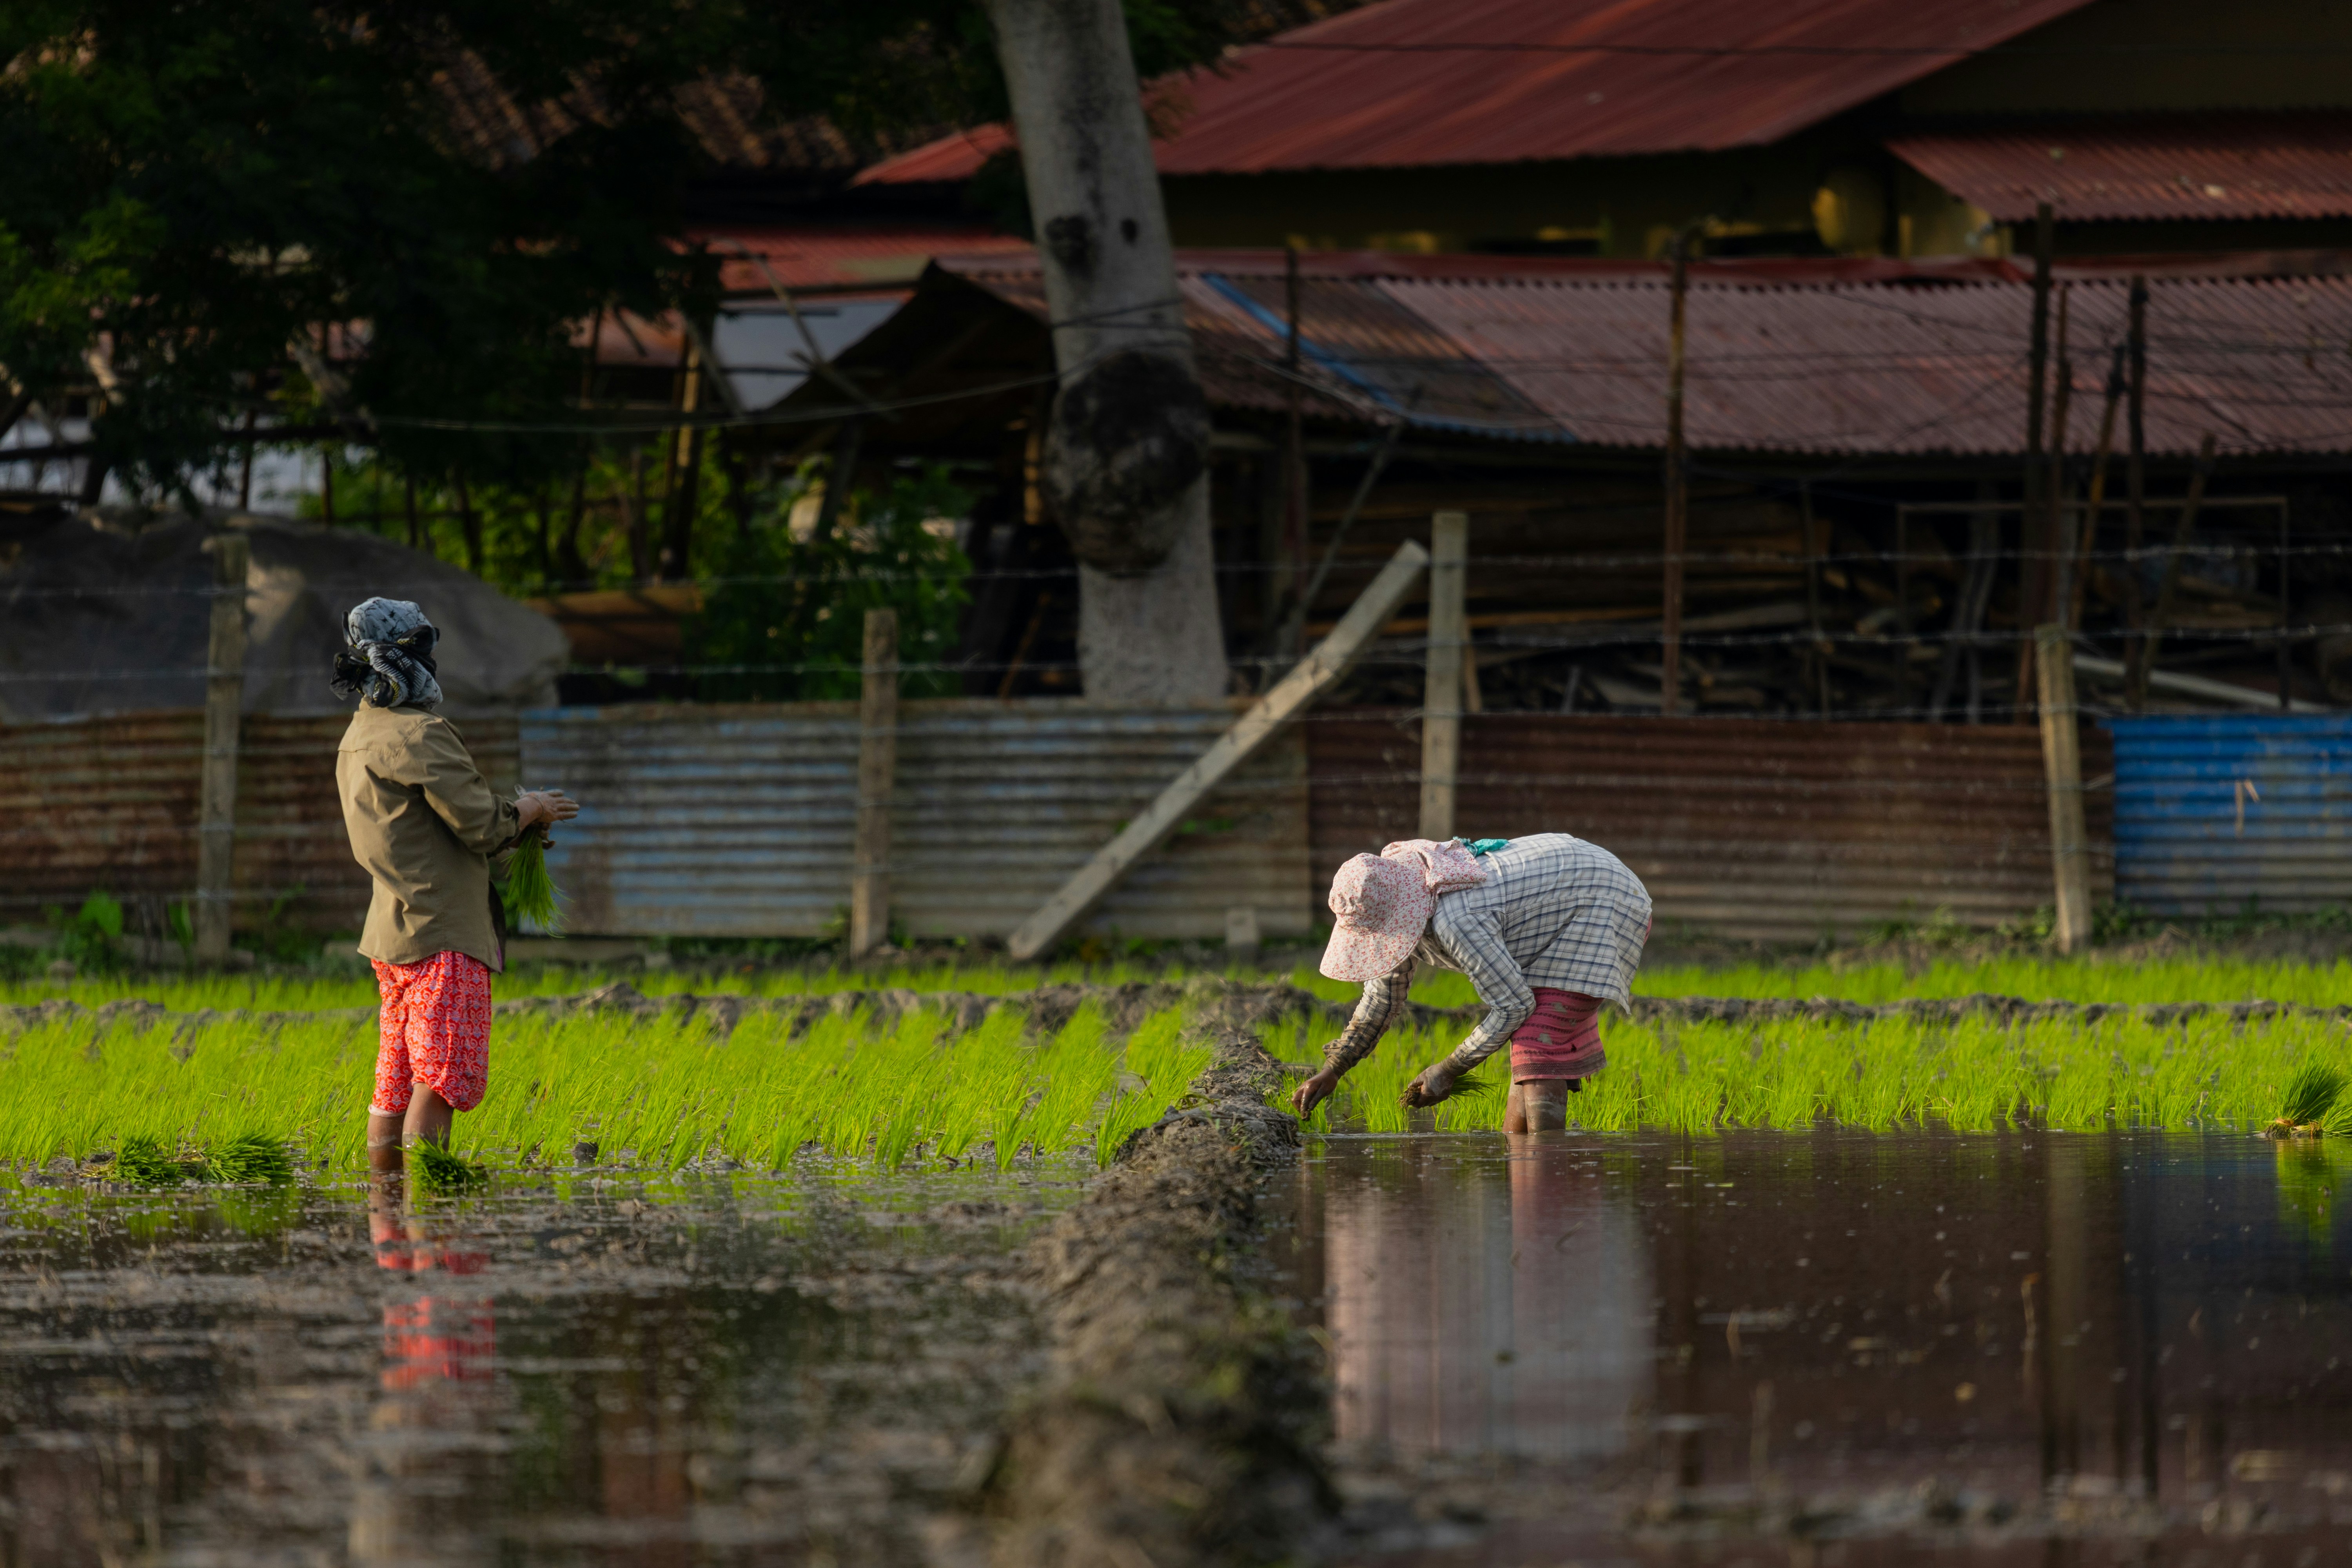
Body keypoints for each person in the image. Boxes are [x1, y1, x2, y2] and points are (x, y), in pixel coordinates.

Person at [333, 597, 578, 1174]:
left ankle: (389, 1210)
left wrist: (517, 828)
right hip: (442, 935)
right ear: (404, 657)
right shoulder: (420, 734)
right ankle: (430, 1207)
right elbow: (482, 824)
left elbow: (425, 832)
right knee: (439, 1080)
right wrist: (530, 808)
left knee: (395, 1083)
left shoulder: (360, 734)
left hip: (393, 933)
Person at [1289, 834, 1651, 1133]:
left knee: (1538, 1042)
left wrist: (1448, 1069)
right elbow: (1382, 1000)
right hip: (1560, 898)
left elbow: (1513, 1007)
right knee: (1529, 1046)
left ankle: (1546, 1167)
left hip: (1599, 898)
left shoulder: (1458, 919)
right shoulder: (1403, 895)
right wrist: (1334, 1069)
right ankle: (1526, 1167)